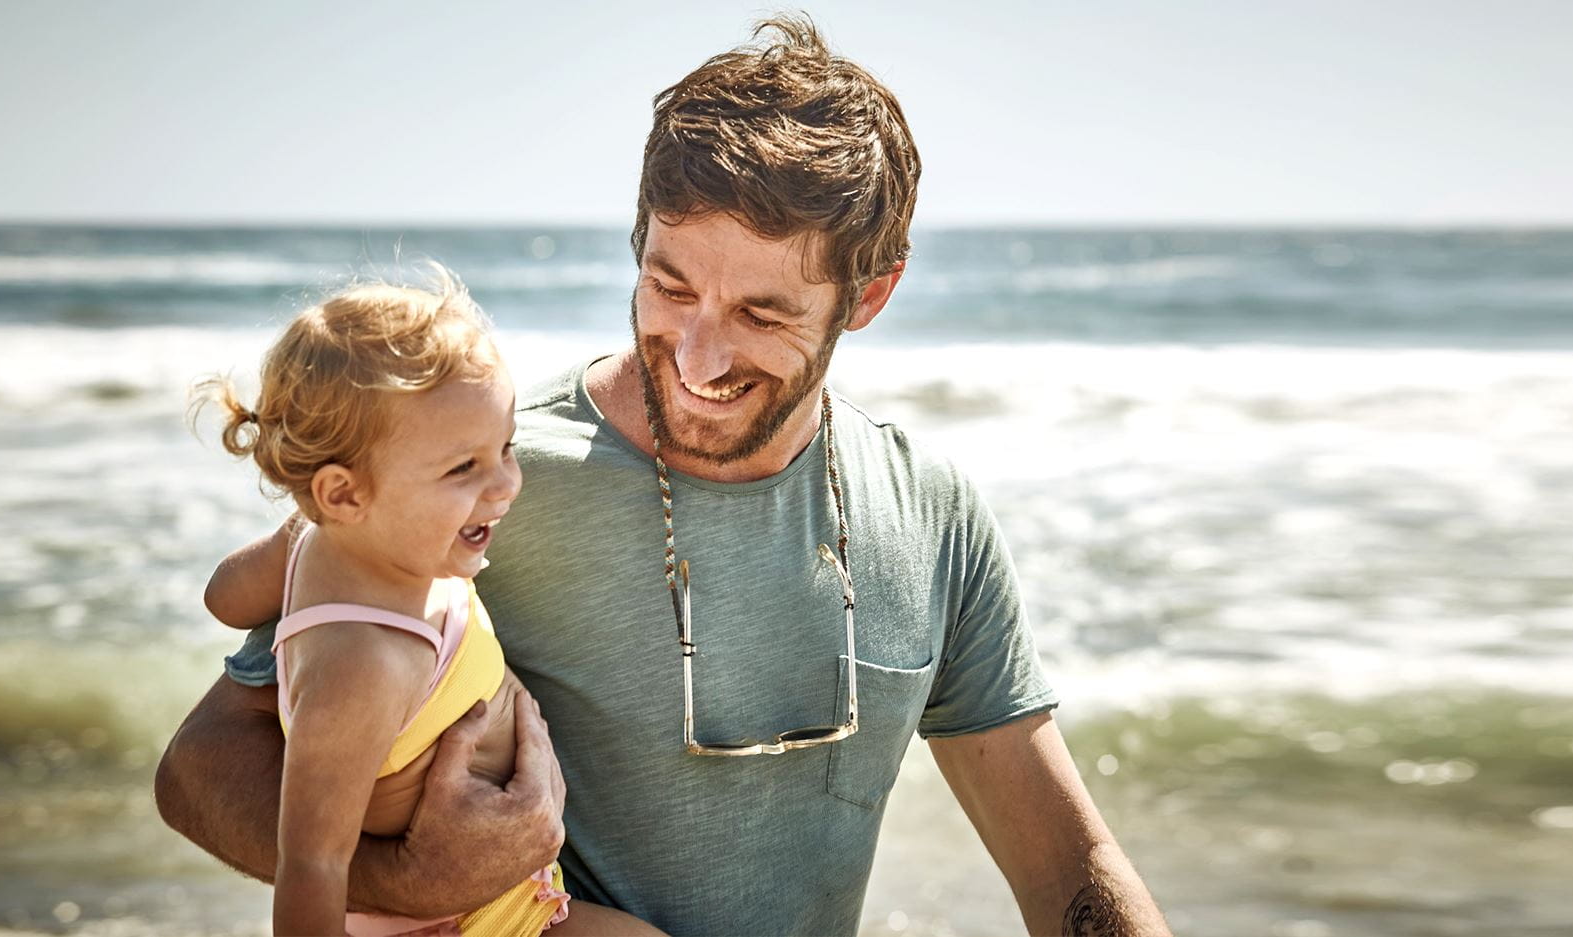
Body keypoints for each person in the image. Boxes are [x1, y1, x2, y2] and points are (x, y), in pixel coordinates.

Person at [154, 15, 1171, 936]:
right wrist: (413, 878)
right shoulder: (485, 483)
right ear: (636, 239)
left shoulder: (930, 511)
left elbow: (1061, 862)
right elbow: (202, 768)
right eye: (668, 284)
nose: (694, 354)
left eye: (762, 315)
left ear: (869, 295)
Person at [192, 274, 662, 937]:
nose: (504, 484)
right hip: (472, 922)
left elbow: (224, 596)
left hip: (510, 895)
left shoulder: (316, 537)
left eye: (504, 448)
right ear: (344, 494)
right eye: (462, 468)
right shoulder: (367, 661)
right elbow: (312, 862)